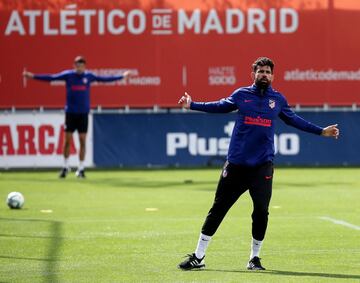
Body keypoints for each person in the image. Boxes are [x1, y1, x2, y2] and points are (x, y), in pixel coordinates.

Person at [177, 57, 339, 271]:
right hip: (236, 165)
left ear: (273, 75)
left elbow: (294, 120)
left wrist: (321, 131)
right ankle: (198, 257)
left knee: (261, 211)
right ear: (253, 74)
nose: (264, 74)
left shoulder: (278, 100)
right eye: (260, 71)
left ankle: (254, 258)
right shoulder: (241, 95)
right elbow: (219, 106)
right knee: (218, 209)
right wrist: (192, 105)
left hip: (262, 166)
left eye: (267, 72)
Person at [23, 56, 132, 178]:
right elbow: (51, 78)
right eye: (77, 64)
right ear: (73, 65)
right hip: (71, 113)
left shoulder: (89, 76)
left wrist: (122, 76)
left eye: (81, 64)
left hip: (83, 114)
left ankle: (81, 169)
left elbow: (105, 79)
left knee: (82, 141)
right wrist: (33, 76)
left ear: (85, 66)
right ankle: (65, 167)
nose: (79, 67)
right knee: (67, 141)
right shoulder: (68, 75)